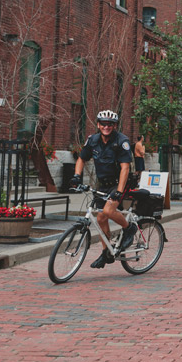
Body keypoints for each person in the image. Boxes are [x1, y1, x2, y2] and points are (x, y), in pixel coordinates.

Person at [72, 110, 136, 269]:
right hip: (103, 183)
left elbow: (125, 168)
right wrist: (76, 176)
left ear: (114, 126)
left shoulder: (122, 141)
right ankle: (106, 252)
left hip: (119, 182)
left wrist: (120, 191)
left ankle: (129, 229)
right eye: (103, 124)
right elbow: (81, 159)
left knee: (108, 211)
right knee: (100, 218)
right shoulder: (92, 140)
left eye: (110, 124)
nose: (106, 127)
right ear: (98, 124)